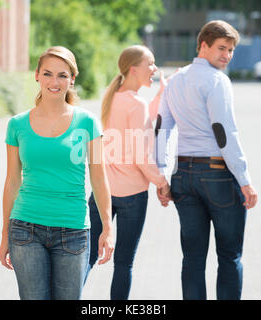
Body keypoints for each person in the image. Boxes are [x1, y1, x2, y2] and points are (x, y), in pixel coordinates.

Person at [0, 46, 114, 300]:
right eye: (48, 74)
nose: (55, 81)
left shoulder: (87, 122)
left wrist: (107, 227)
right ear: (37, 75)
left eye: (63, 75)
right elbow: (12, 181)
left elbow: (99, 177)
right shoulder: (17, 124)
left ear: (72, 79)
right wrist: (4, 233)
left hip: (72, 230)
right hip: (25, 230)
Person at [156, 20, 258, 300]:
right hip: (218, 176)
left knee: (192, 257)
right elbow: (224, 133)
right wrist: (245, 180)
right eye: (221, 48)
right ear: (203, 45)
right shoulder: (217, 81)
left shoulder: (175, 80)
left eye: (231, 50)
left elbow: (161, 129)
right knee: (229, 255)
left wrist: (162, 174)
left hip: (183, 178)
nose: (227, 55)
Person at [85, 45, 171, 300]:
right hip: (132, 196)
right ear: (134, 69)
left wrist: (159, 97)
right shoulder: (136, 103)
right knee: (124, 263)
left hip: (103, 193)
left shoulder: (112, 97)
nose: (155, 69)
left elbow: (138, 121)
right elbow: (142, 154)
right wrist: (162, 182)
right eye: (151, 64)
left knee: (86, 257)